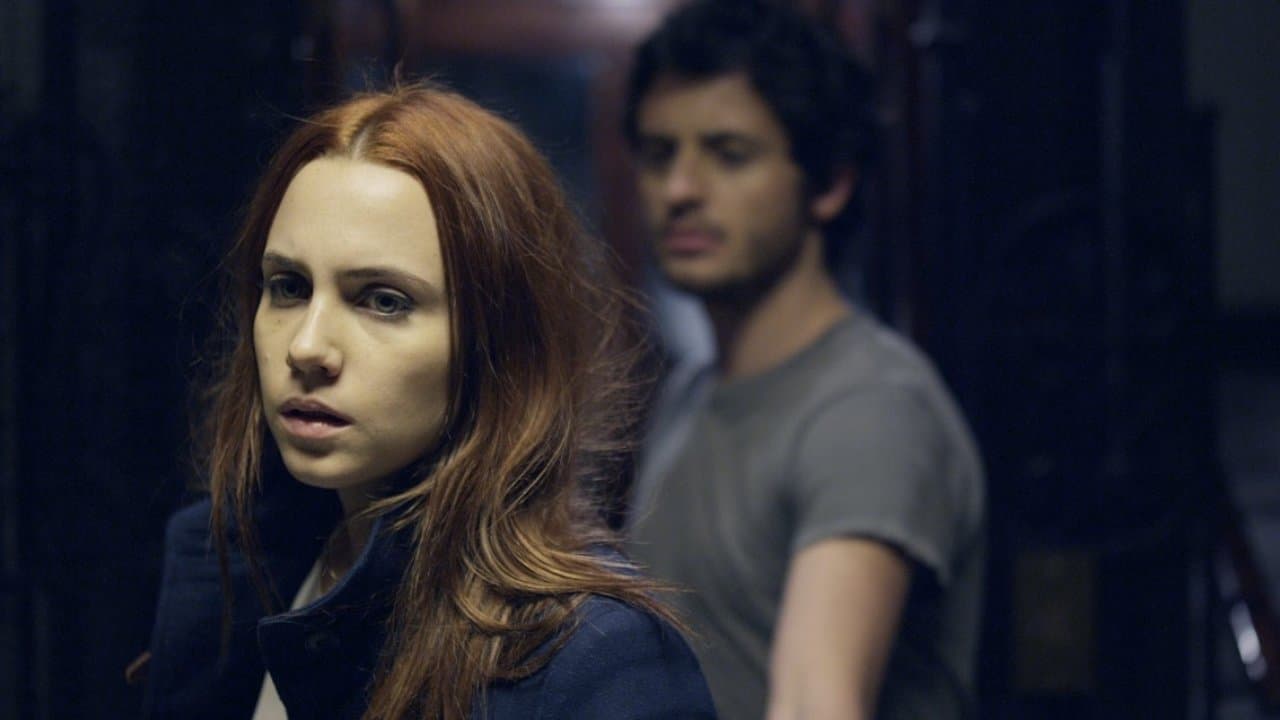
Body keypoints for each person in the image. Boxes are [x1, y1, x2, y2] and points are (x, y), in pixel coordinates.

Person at [140, 84, 716, 720]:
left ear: (495, 344)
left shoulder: (598, 661)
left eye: (383, 300)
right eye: (289, 286)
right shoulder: (233, 572)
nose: (306, 347)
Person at [622, 2, 986, 719]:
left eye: (729, 153)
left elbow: (815, 705)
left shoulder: (868, 409)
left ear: (829, 184)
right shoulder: (691, 392)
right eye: (660, 154)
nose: (681, 189)